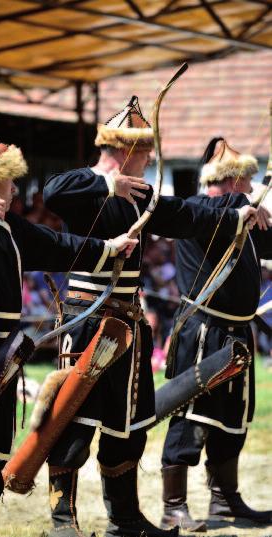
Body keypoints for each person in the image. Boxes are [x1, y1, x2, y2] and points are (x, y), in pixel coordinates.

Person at [43, 100, 258, 537]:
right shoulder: (84, 185)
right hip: (88, 319)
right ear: (125, 151)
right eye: (144, 155)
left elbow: (184, 215)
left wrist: (236, 215)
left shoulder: (141, 192)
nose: (150, 162)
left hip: (128, 324)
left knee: (129, 425)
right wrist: (106, 185)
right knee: (74, 419)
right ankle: (63, 520)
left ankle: (124, 520)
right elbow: (52, 192)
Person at [0, 138, 137, 537]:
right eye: (11, 180)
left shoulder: (7, 226)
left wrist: (109, 248)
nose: (16, 188)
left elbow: (57, 245)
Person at [160, 138, 272, 532]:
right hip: (202, 333)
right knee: (192, 418)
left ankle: (225, 503)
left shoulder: (243, 213)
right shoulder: (200, 211)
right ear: (232, 179)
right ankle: (173, 506)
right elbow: (215, 211)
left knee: (232, 420)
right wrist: (248, 208)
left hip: (236, 333)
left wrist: (262, 215)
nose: (250, 186)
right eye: (246, 179)